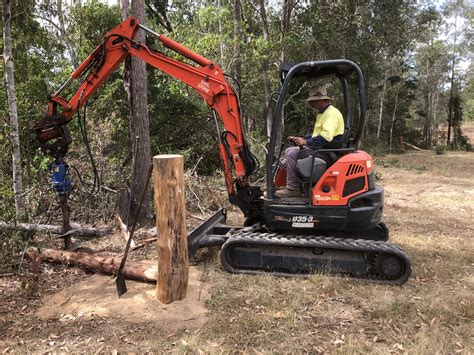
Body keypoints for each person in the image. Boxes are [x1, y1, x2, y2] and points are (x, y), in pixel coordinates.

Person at [275, 86, 344, 198]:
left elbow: (325, 138)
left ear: (321, 100)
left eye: (313, 101)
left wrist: (306, 142)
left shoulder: (331, 114)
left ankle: (293, 189)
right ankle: (281, 185)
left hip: (327, 152)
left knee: (291, 153)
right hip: (321, 149)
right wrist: (302, 139)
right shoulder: (323, 113)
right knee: (286, 159)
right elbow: (316, 135)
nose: (311, 104)